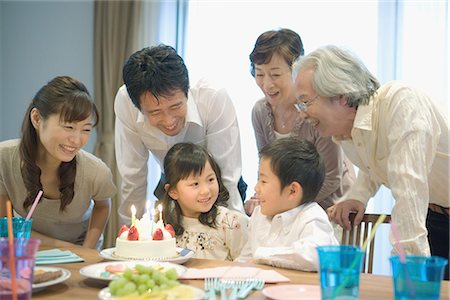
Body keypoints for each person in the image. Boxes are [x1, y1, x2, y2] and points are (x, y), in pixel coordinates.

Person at [292, 45, 449, 279]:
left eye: (305, 102)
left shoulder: (402, 104)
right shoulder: (349, 129)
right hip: (436, 215)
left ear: (341, 96)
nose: (302, 114)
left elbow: (409, 194)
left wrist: (409, 278)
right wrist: (359, 195)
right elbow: (378, 160)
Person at [115, 45, 246, 223]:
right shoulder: (125, 102)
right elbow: (132, 176)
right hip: (171, 184)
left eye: (176, 107)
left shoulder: (213, 98)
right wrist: (130, 231)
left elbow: (227, 177)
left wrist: (234, 232)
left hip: (217, 185)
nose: (169, 121)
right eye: (155, 113)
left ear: (186, 91)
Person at [0, 76, 116, 249]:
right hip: (25, 248)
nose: (76, 140)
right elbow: (5, 225)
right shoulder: (5, 158)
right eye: (69, 127)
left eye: (85, 129)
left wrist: (85, 250)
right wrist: (60, 246)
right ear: (37, 119)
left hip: (78, 251)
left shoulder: (95, 171)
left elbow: (103, 205)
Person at [246, 28, 355, 214]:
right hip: (287, 208)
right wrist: (261, 195)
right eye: (260, 74)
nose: (267, 84)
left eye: (275, 74)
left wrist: (286, 203)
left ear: (296, 70)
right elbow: (266, 165)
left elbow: (331, 177)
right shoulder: (260, 112)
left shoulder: (315, 110)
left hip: (331, 209)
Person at [236, 137, 339, 271]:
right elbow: (246, 258)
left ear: (292, 191)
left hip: (305, 290)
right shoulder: (258, 215)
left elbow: (316, 256)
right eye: (258, 179)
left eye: (263, 181)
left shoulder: (312, 217)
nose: (256, 188)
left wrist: (262, 255)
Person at [159, 142, 248, 260]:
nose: (206, 190)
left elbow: (249, 265)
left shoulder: (230, 222)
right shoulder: (162, 223)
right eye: (195, 184)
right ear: (173, 191)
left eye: (210, 179)